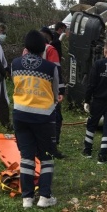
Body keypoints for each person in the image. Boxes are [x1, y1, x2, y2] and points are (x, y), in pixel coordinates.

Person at [12, 30, 59, 208]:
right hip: (43, 118)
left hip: (20, 116)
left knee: (26, 157)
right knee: (46, 156)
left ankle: (27, 199)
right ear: (43, 47)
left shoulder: (15, 64)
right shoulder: (50, 67)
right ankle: (45, 197)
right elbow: (56, 94)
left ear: (26, 47)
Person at [39, 26, 66, 158]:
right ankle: (53, 147)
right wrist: (60, 91)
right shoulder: (50, 49)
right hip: (49, 90)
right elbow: (56, 71)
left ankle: (40, 146)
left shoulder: (26, 50)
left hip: (31, 92)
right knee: (55, 118)